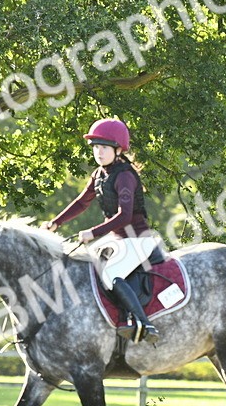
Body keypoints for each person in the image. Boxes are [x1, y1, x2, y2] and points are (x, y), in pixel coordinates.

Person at [43, 118, 162, 344]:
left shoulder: (125, 175)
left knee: (111, 275)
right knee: (79, 266)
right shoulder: (99, 174)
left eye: (104, 147)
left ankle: (143, 323)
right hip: (116, 239)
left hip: (137, 239)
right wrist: (56, 222)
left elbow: (124, 216)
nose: (98, 152)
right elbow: (81, 203)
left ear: (118, 150)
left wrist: (93, 232)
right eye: (96, 147)